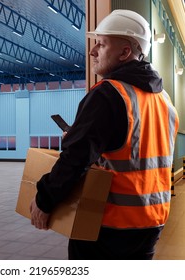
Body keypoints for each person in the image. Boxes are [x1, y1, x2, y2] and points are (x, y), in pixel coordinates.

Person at [29, 9, 179, 260]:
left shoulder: (108, 94)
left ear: (124, 52)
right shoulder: (164, 100)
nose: (92, 51)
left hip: (109, 225)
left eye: (102, 44)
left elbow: (75, 158)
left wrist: (45, 200)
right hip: (151, 224)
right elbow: (136, 153)